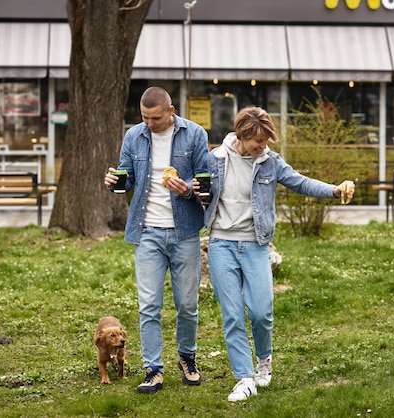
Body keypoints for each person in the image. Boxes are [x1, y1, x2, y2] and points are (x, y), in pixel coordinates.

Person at [202, 106, 355, 402]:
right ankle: (244, 378)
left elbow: (300, 181)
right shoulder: (215, 159)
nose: (264, 146)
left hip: (256, 244)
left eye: (266, 140)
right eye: (258, 141)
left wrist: (334, 191)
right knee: (232, 314)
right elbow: (198, 191)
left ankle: (264, 361)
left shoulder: (270, 162)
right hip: (221, 243)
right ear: (243, 135)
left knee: (261, 312)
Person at [104, 86, 208, 394]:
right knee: (149, 305)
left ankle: (187, 358)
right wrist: (115, 183)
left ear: (171, 112)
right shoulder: (133, 136)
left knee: (187, 304)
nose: (150, 124)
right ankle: (153, 369)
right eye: (145, 117)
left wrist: (187, 188)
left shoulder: (195, 134)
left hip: (185, 231)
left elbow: (205, 178)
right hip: (147, 231)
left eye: (156, 118)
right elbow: (127, 179)